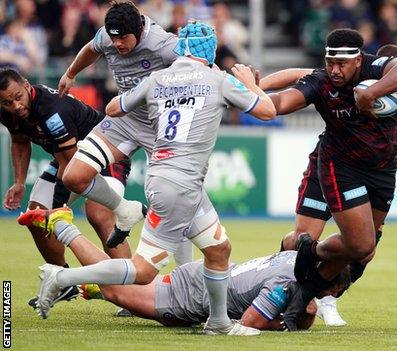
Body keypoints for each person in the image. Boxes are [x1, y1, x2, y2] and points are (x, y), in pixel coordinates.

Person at [34, 21, 275, 336]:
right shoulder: (219, 80)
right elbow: (268, 111)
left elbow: (113, 107)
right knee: (143, 271)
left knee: (219, 250)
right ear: (210, 49)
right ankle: (61, 278)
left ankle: (218, 323)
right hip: (180, 186)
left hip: (167, 177)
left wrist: (156, 97)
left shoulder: (157, 79)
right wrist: (249, 83)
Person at [263, 28, 397, 330]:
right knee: (311, 238)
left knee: (365, 246)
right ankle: (280, 286)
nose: (335, 69)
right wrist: (255, 87)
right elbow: (291, 85)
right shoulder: (329, 76)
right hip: (333, 166)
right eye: (331, 63)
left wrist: (372, 96)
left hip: (376, 172)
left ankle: (322, 294)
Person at [18, 207, 350, 331]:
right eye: (333, 290)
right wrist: (292, 319)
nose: (330, 294)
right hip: (191, 294)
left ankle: (90, 287)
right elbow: (250, 325)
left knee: (124, 283)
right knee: (119, 286)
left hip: (204, 279)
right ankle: (63, 228)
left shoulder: (294, 259)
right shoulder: (286, 283)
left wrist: (303, 310)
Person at [0, 68, 132, 307]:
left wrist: (58, 209)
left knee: (99, 214)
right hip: (69, 157)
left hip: (107, 156)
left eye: (18, 97)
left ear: (27, 85)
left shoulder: (52, 110)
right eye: (7, 102)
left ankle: (133, 290)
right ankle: (63, 282)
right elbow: (19, 142)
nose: (16, 106)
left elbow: (71, 167)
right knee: (35, 217)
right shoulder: (8, 111)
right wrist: (19, 182)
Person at [56, 1, 179, 253]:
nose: (117, 44)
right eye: (114, 39)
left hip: (159, 128)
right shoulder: (108, 37)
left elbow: (201, 69)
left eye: (123, 38)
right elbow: (91, 48)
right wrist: (71, 73)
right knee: (73, 177)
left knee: (170, 204)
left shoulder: (163, 44)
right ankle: (126, 210)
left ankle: (179, 272)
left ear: (140, 31)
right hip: (123, 121)